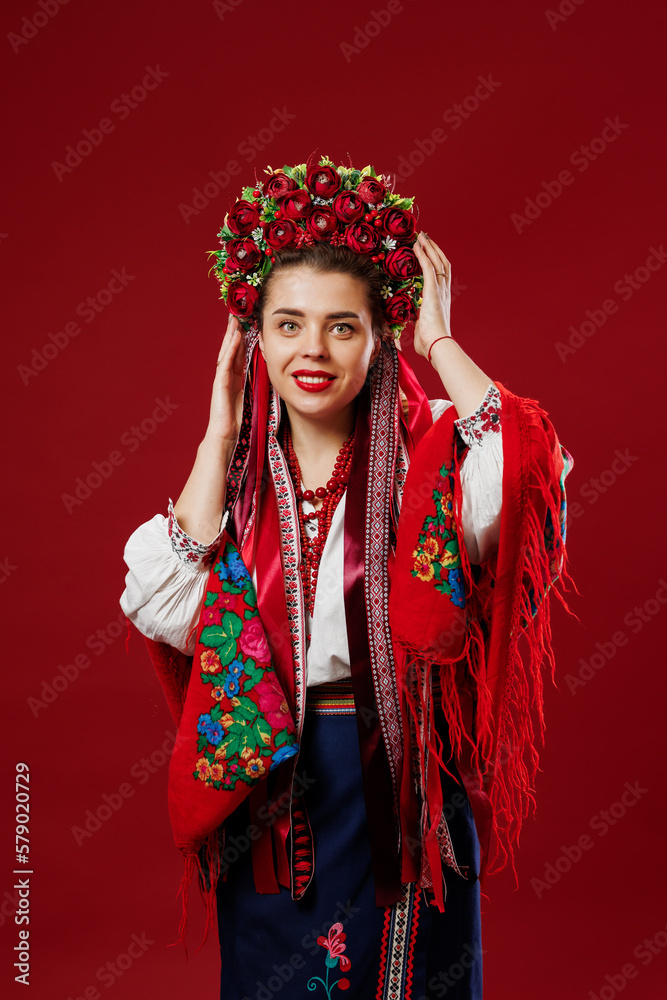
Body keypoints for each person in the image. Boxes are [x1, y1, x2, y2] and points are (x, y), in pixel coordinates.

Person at [120, 154, 574, 1000]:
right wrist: (218, 434)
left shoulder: (430, 452)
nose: (312, 351)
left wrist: (439, 339)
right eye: (287, 325)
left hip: (398, 786)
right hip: (273, 796)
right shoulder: (240, 487)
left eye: (341, 326)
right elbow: (162, 606)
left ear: (378, 335)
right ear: (255, 336)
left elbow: (528, 477)